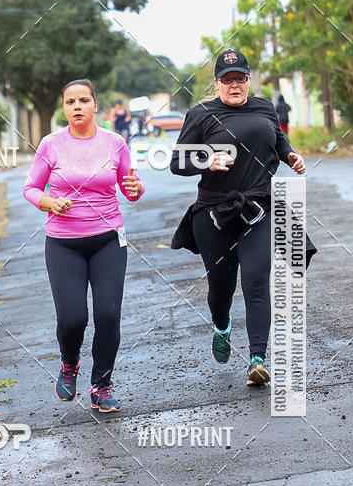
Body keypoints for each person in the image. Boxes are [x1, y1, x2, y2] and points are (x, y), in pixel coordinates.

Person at [170, 50, 315, 386]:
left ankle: (257, 359)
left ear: (248, 80)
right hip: (214, 214)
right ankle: (222, 326)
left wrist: (290, 155)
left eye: (240, 78)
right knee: (221, 289)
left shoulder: (264, 107)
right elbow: (178, 162)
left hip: (258, 209)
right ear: (217, 83)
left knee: (256, 279)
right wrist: (206, 160)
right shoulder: (201, 114)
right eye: (227, 79)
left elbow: (278, 140)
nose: (234, 85)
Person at [23, 79, 144, 412]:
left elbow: (130, 187)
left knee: (108, 315)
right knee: (72, 318)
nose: (77, 106)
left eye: (83, 100)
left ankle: (101, 386)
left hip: (108, 239)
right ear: (64, 107)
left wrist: (136, 188)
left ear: (95, 106)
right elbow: (30, 188)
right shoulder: (51, 144)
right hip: (64, 243)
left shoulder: (114, 142)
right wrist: (49, 202)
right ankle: (69, 363)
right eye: (70, 101)